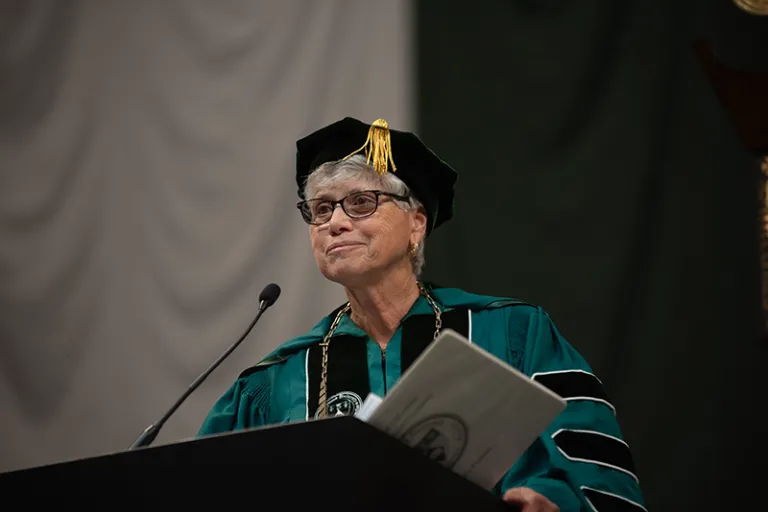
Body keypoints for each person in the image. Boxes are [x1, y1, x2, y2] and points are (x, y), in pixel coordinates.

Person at [198, 117, 646, 512]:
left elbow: (593, 468)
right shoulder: (278, 380)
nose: (334, 222)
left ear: (416, 223)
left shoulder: (510, 334)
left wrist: (554, 503)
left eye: (360, 202)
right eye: (320, 209)